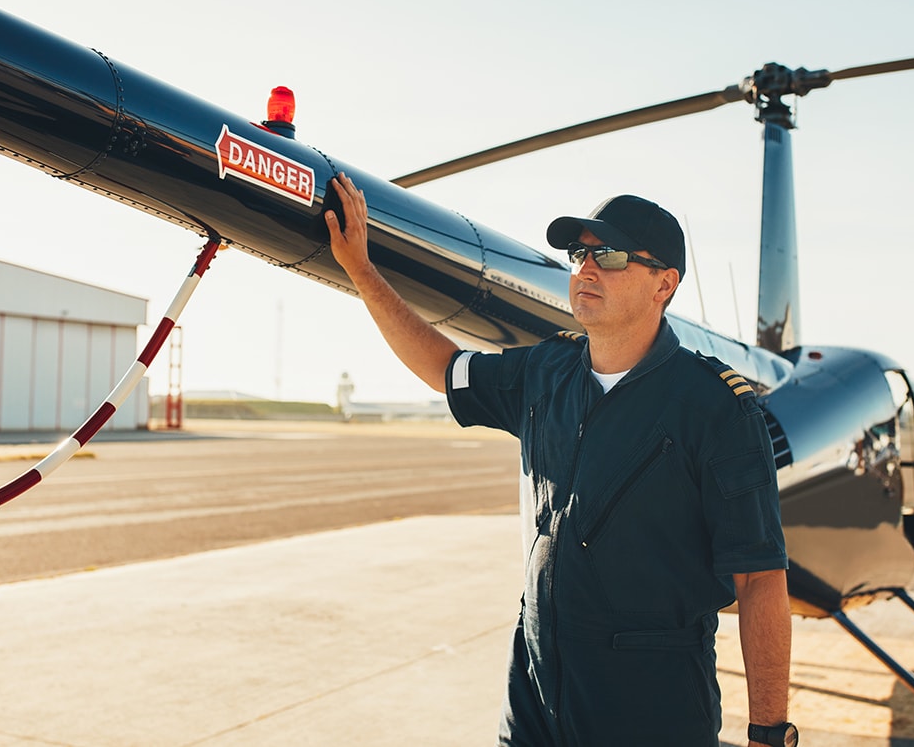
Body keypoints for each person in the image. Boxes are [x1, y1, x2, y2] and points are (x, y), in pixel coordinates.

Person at [324, 173, 795, 747]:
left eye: (613, 255)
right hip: (536, 698)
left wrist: (770, 733)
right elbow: (447, 370)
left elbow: (760, 578)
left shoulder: (717, 408)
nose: (588, 268)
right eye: (580, 254)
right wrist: (362, 272)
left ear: (663, 284)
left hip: (651, 709)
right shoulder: (545, 372)